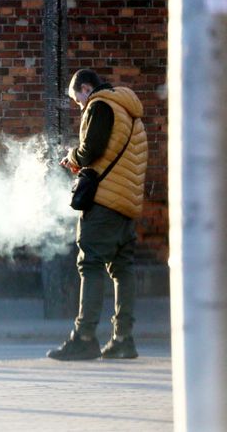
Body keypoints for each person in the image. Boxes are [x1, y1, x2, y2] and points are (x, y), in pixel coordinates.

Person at [49, 68, 148, 361]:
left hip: (104, 201)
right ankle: (123, 339)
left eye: (77, 98)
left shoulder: (100, 105)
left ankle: (85, 337)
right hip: (127, 202)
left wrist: (72, 157)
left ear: (86, 87)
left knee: (90, 263)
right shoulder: (131, 111)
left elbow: (90, 150)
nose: (78, 105)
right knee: (122, 268)